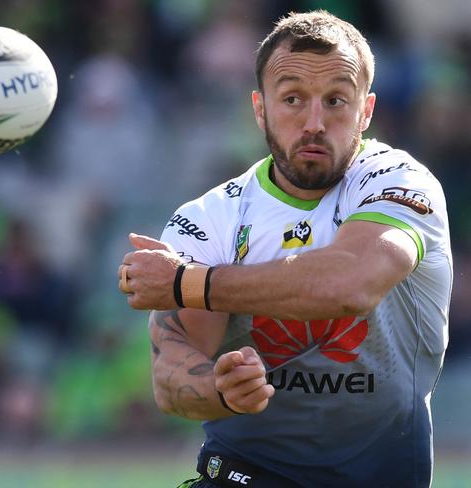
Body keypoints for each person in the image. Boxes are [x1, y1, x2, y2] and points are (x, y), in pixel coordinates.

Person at [118, 10, 452, 488]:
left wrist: (182, 282)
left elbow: (349, 284)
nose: (314, 122)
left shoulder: (398, 182)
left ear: (366, 111)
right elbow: (172, 378)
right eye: (292, 99)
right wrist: (222, 390)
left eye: (336, 100)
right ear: (260, 109)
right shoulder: (209, 219)